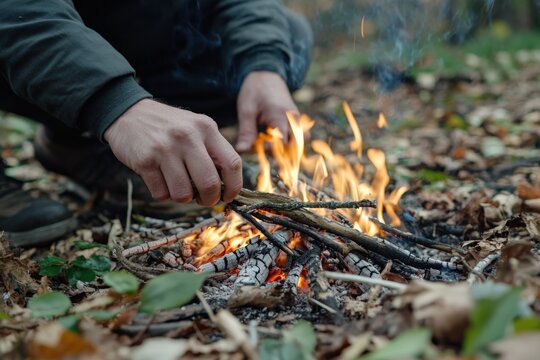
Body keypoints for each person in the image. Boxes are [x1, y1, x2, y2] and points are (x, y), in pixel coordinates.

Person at [0, 0, 313, 247]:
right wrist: (115, 103)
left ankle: (80, 144)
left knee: (289, 38)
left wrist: (262, 62)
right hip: (22, 30)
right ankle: (110, 125)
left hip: (109, 26)